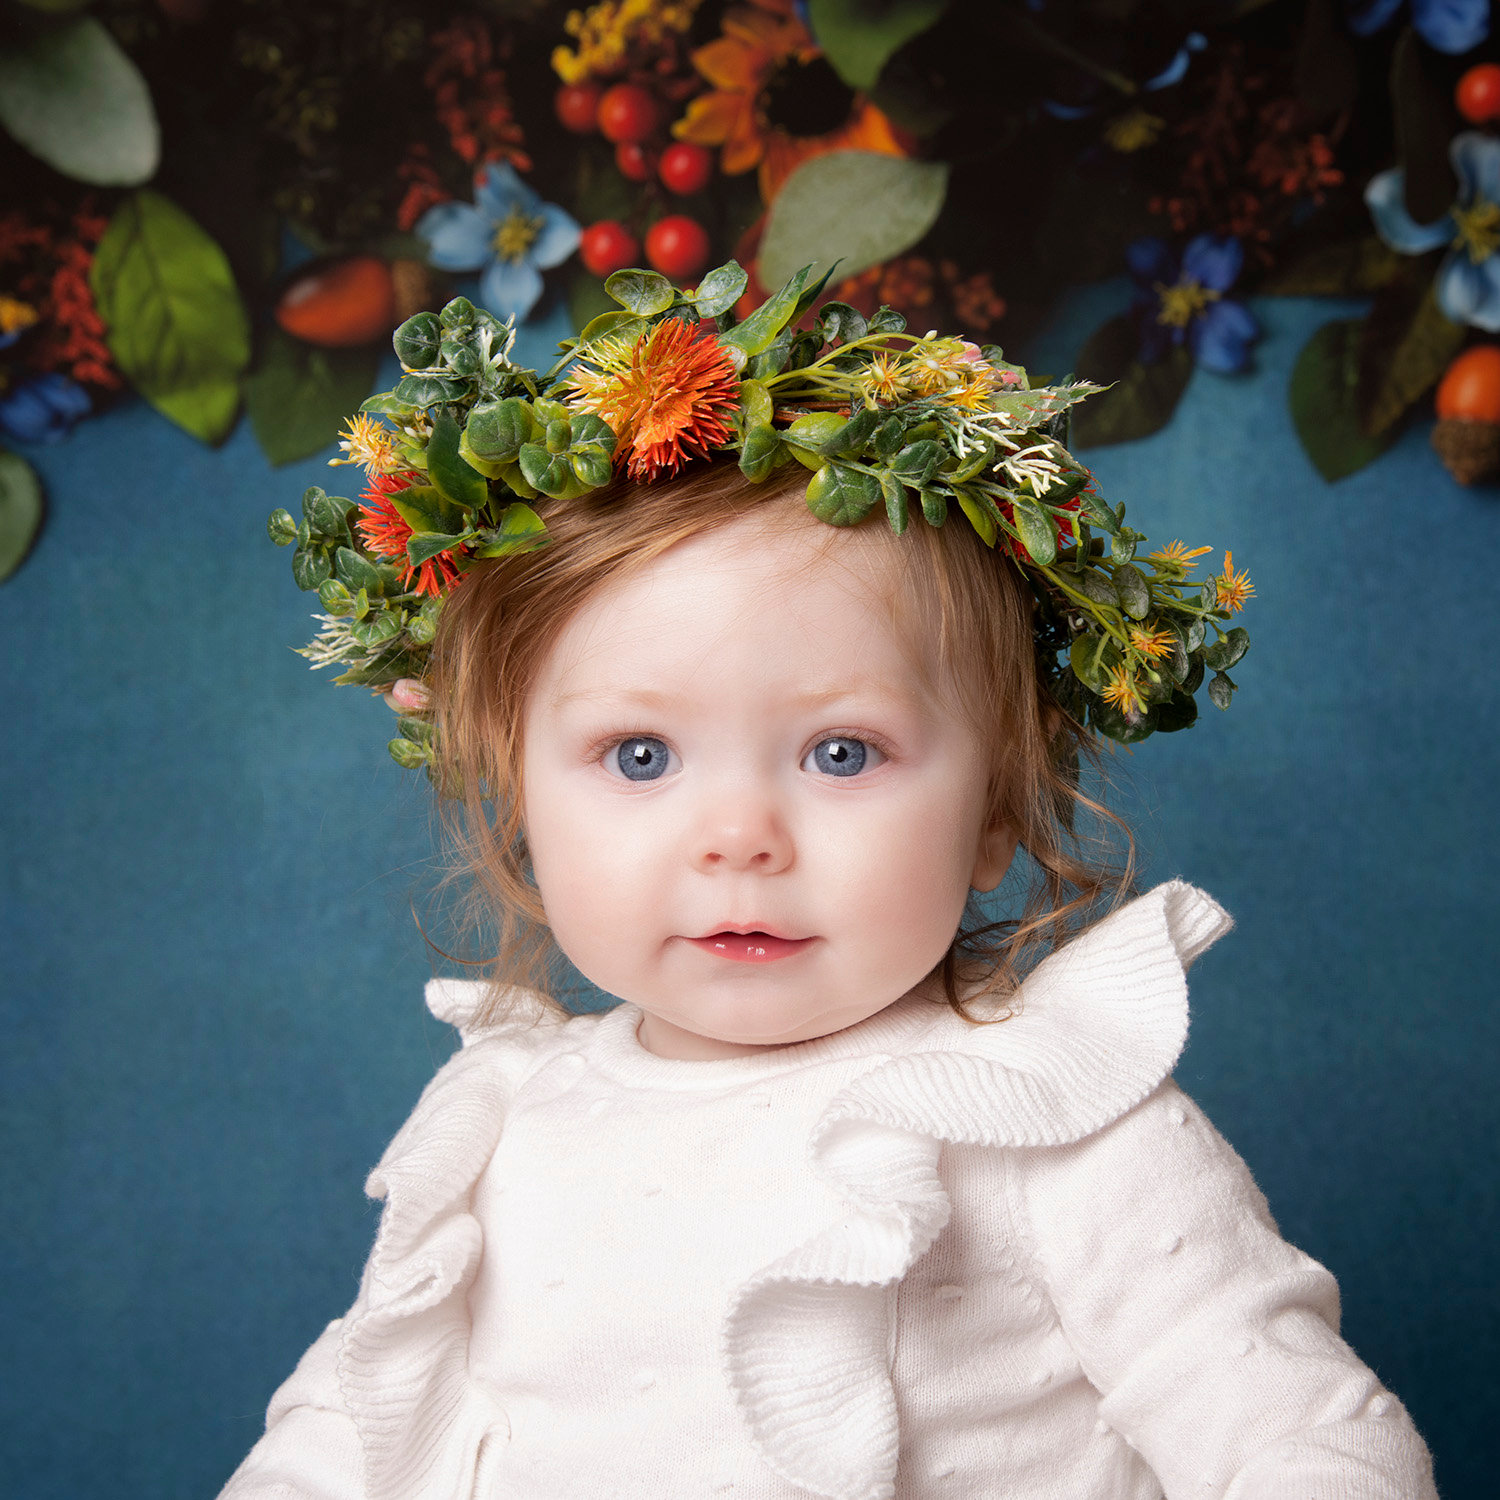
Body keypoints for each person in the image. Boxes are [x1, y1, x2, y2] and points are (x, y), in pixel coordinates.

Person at [226, 273, 1438, 1499]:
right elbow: (351, 1427)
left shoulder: (1048, 1120)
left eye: (841, 753)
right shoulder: (499, 1126)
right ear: (520, 791)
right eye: (639, 756)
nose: (741, 838)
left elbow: (1304, 1441)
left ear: (995, 812)